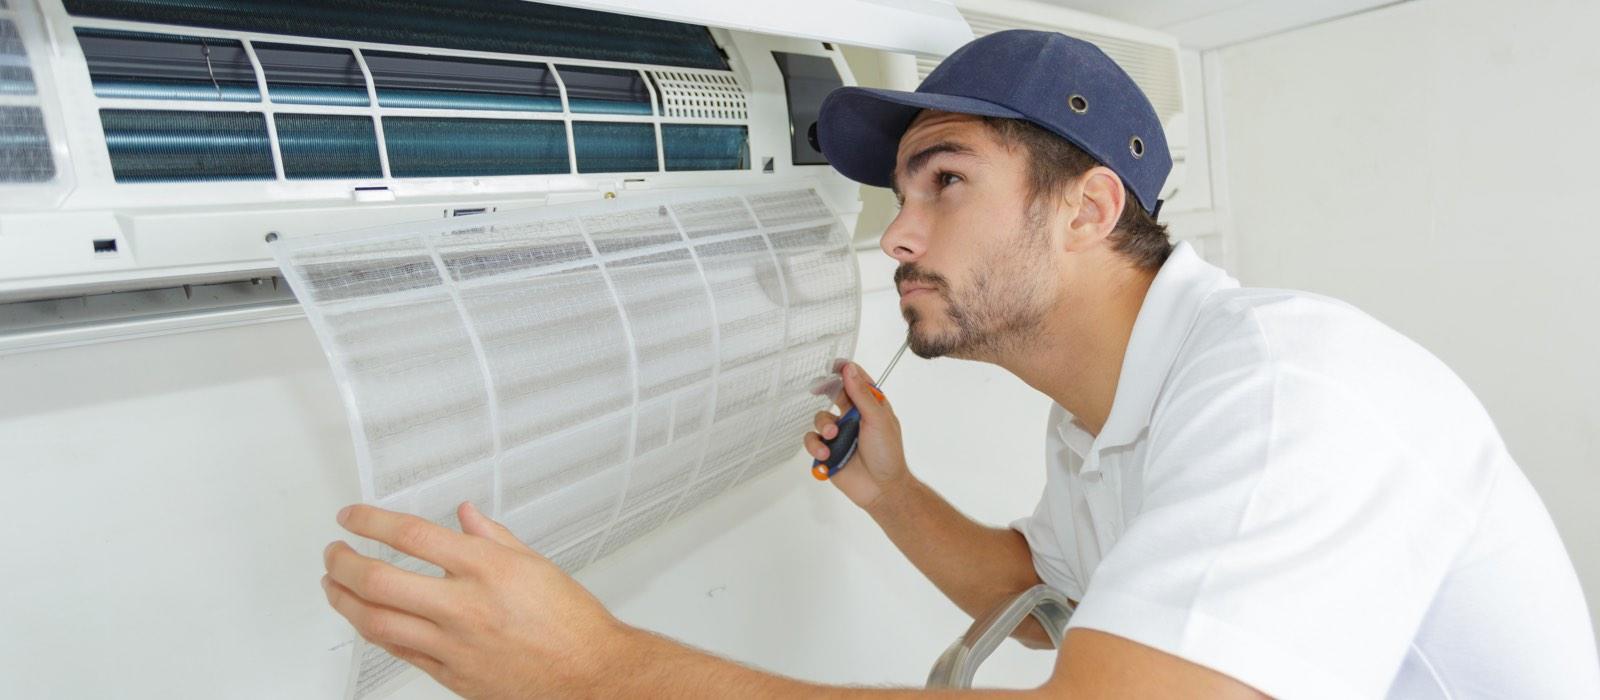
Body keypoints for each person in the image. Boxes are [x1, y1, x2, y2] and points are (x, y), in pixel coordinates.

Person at [320, 30, 1600, 697]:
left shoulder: (1286, 397)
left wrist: (598, 672)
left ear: (1092, 206)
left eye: (944, 180)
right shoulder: (1099, 413)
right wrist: (891, 490)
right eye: (900, 188)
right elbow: (1049, 596)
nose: (899, 228)